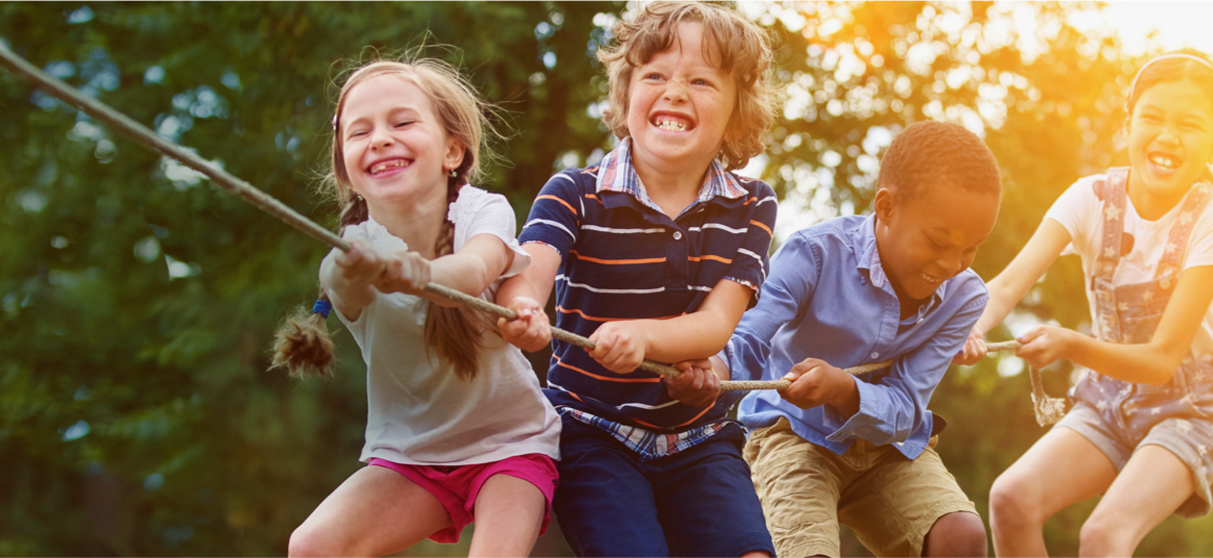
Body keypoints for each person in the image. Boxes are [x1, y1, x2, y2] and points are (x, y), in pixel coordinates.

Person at [496, 2, 779, 556]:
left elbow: (717, 323)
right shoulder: (574, 191)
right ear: (626, 97)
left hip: (700, 438)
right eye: (654, 75)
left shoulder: (752, 206)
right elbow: (529, 268)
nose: (674, 92)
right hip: (592, 433)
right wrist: (524, 307)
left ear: (737, 111)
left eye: (700, 80)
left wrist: (644, 337)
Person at [273, 58, 561, 557]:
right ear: (348, 172)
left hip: (512, 444)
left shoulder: (482, 210)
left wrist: (419, 273)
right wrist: (359, 269)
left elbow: (475, 270)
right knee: (312, 546)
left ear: (452, 150)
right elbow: (338, 279)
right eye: (359, 132)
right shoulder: (351, 249)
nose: (380, 138)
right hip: (412, 457)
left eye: (402, 122)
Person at [957, 50, 1213, 557]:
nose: (1167, 136)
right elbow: (1006, 286)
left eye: (1190, 124)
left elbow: (1163, 359)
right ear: (1128, 123)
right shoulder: (1090, 198)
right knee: (1012, 498)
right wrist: (965, 328)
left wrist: (1070, 345)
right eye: (1153, 118)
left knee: (1103, 536)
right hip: (1112, 399)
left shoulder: (1207, 220)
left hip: (1193, 409)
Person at [720, 121, 1000, 557]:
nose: (951, 263)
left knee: (962, 535)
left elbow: (907, 406)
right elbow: (749, 333)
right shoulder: (814, 253)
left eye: (970, 249)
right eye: (937, 242)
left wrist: (844, 390)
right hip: (793, 433)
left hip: (889, 447)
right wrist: (714, 371)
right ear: (885, 208)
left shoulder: (965, 298)